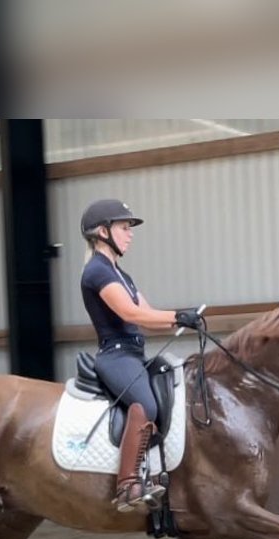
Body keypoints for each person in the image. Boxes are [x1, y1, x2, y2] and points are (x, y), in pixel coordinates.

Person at [79, 199, 204, 512]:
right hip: (116, 355)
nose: (130, 234)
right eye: (124, 227)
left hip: (135, 353)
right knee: (145, 404)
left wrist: (184, 317)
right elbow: (129, 312)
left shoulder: (121, 274)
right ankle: (128, 485)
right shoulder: (97, 271)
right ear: (102, 232)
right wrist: (177, 316)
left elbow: (147, 313)